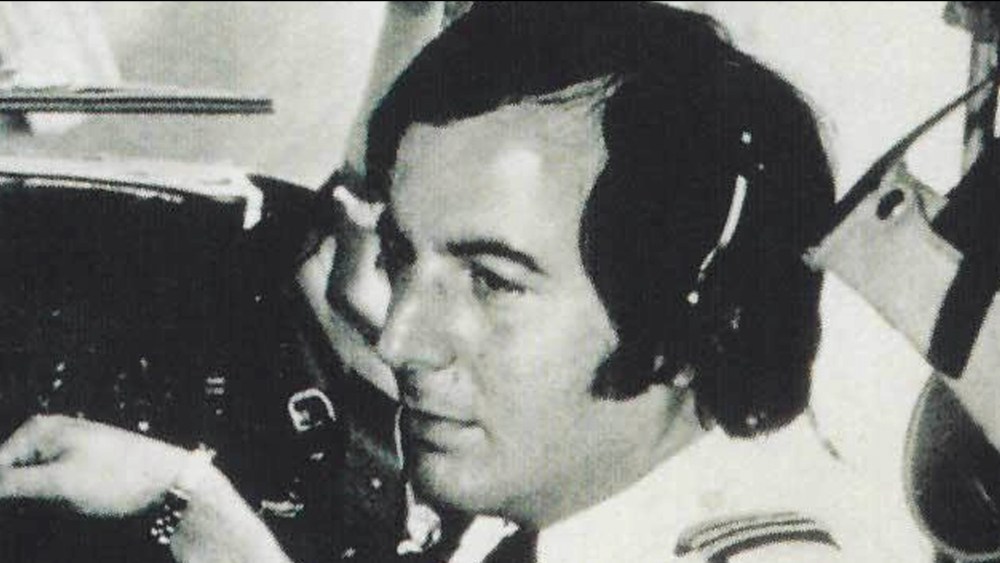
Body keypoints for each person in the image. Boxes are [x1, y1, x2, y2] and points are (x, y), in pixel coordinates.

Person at [0, 3, 925, 562]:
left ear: (698, 319)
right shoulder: (556, 519)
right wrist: (186, 502)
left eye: (491, 281)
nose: (400, 337)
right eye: (405, 258)